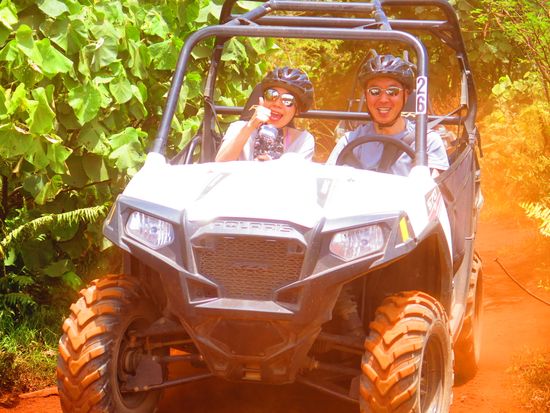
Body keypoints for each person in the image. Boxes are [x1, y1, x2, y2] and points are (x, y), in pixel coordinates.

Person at [327, 50, 449, 176]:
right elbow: (327, 182)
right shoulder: (349, 142)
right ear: (365, 96)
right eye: (375, 91)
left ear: (406, 95)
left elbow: (435, 187)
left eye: (393, 91)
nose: (383, 99)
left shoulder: (427, 142)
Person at [215, 67, 315, 162]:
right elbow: (220, 164)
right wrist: (250, 127)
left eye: (287, 100)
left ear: (297, 110)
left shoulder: (303, 140)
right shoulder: (239, 127)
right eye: (271, 94)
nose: (277, 104)